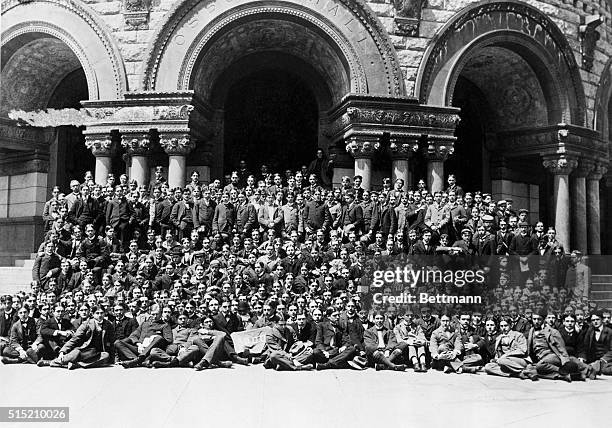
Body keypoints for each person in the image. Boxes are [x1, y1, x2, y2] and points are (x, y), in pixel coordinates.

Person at [40, 306, 114, 369]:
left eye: (101, 313)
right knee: (75, 353)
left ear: (104, 313)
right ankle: (52, 362)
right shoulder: (86, 324)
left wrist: (114, 359)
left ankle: (77, 364)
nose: (100, 315)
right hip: (85, 350)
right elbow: (75, 338)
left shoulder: (108, 324)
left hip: (97, 353)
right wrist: (63, 351)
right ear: (93, 314)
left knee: (106, 356)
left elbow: (112, 341)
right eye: (97, 313)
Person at [578, 310, 612, 376]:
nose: (595, 322)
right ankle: (592, 369)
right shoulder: (589, 331)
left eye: (597, 319)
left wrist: (603, 360)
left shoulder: (610, 332)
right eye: (593, 320)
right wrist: (582, 357)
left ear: (602, 320)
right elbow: (585, 347)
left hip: (605, 359)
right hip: (593, 359)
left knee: (605, 370)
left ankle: (593, 370)